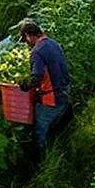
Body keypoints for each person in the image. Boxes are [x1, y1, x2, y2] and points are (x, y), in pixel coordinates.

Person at [18, 20, 71, 153]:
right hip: (65, 91)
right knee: (57, 127)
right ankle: (63, 148)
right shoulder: (53, 43)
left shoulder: (37, 52)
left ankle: (42, 159)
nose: (26, 44)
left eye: (25, 40)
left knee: (39, 130)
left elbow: (37, 77)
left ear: (29, 35)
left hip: (52, 98)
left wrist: (24, 85)